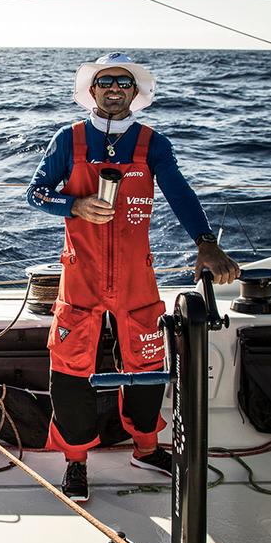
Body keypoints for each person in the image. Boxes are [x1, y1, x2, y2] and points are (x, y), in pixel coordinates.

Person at [26, 53, 239, 502]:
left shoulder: (151, 142)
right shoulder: (69, 139)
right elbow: (36, 193)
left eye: (123, 82)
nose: (114, 89)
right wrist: (75, 206)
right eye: (105, 82)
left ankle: (145, 447)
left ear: (135, 92)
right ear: (92, 90)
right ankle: (76, 462)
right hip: (80, 273)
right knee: (70, 369)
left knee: (147, 364)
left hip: (136, 275)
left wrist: (205, 241)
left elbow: (179, 190)